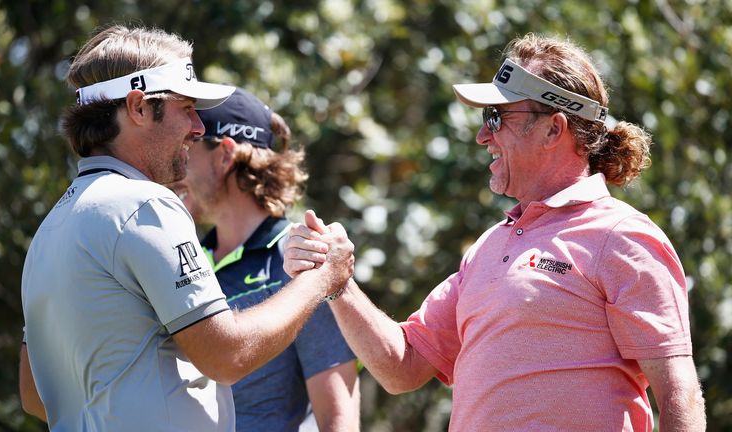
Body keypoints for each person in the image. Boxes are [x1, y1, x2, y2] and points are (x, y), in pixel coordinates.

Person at [284, 33, 706, 431]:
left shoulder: (622, 236)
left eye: (497, 117)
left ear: (553, 129)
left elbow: (678, 393)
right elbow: (404, 366)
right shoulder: (490, 245)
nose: (482, 134)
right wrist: (338, 282)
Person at [18, 24, 354, 431]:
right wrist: (321, 280)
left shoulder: (51, 227)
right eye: (186, 108)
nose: (197, 127)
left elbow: (33, 394)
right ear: (139, 108)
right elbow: (226, 357)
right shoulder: (147, 203)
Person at [166, 87, 360, 431]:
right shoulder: (186, 258)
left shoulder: (303, 258)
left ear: (224, 154)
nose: (175, 167)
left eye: (187, 147)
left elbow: (338, 420)